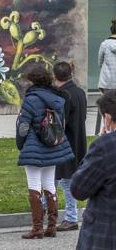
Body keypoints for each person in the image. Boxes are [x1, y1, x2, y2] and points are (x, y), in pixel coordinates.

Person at [15, 66, 74, 239]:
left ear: (33, 81)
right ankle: (52, 226)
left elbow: (23, 127)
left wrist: (21, 144)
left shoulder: (31, 99)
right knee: (50, 185)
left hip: (35, 146)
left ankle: (37, 228)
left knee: (34, 186)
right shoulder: (58, 97)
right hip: (54, 145)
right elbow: (61, 123)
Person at [71, 90, 116, 250]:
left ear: (108, 118)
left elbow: (79, 189)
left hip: (105, 235)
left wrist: (101, 139)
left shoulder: (105, 146)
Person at [53, 62, 87, 231]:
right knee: (62, 180)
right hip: (78, 140)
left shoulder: (63, 94)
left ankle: (71, 217)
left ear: (55, 76)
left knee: (65, 182)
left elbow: (60, 122)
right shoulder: (80, 92)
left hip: (65, 143)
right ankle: (50, 211)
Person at [95, 18, 116, 135]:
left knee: (106, 108)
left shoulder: (104, 44)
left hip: (107, 81)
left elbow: (100, 62)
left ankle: (104, 132)